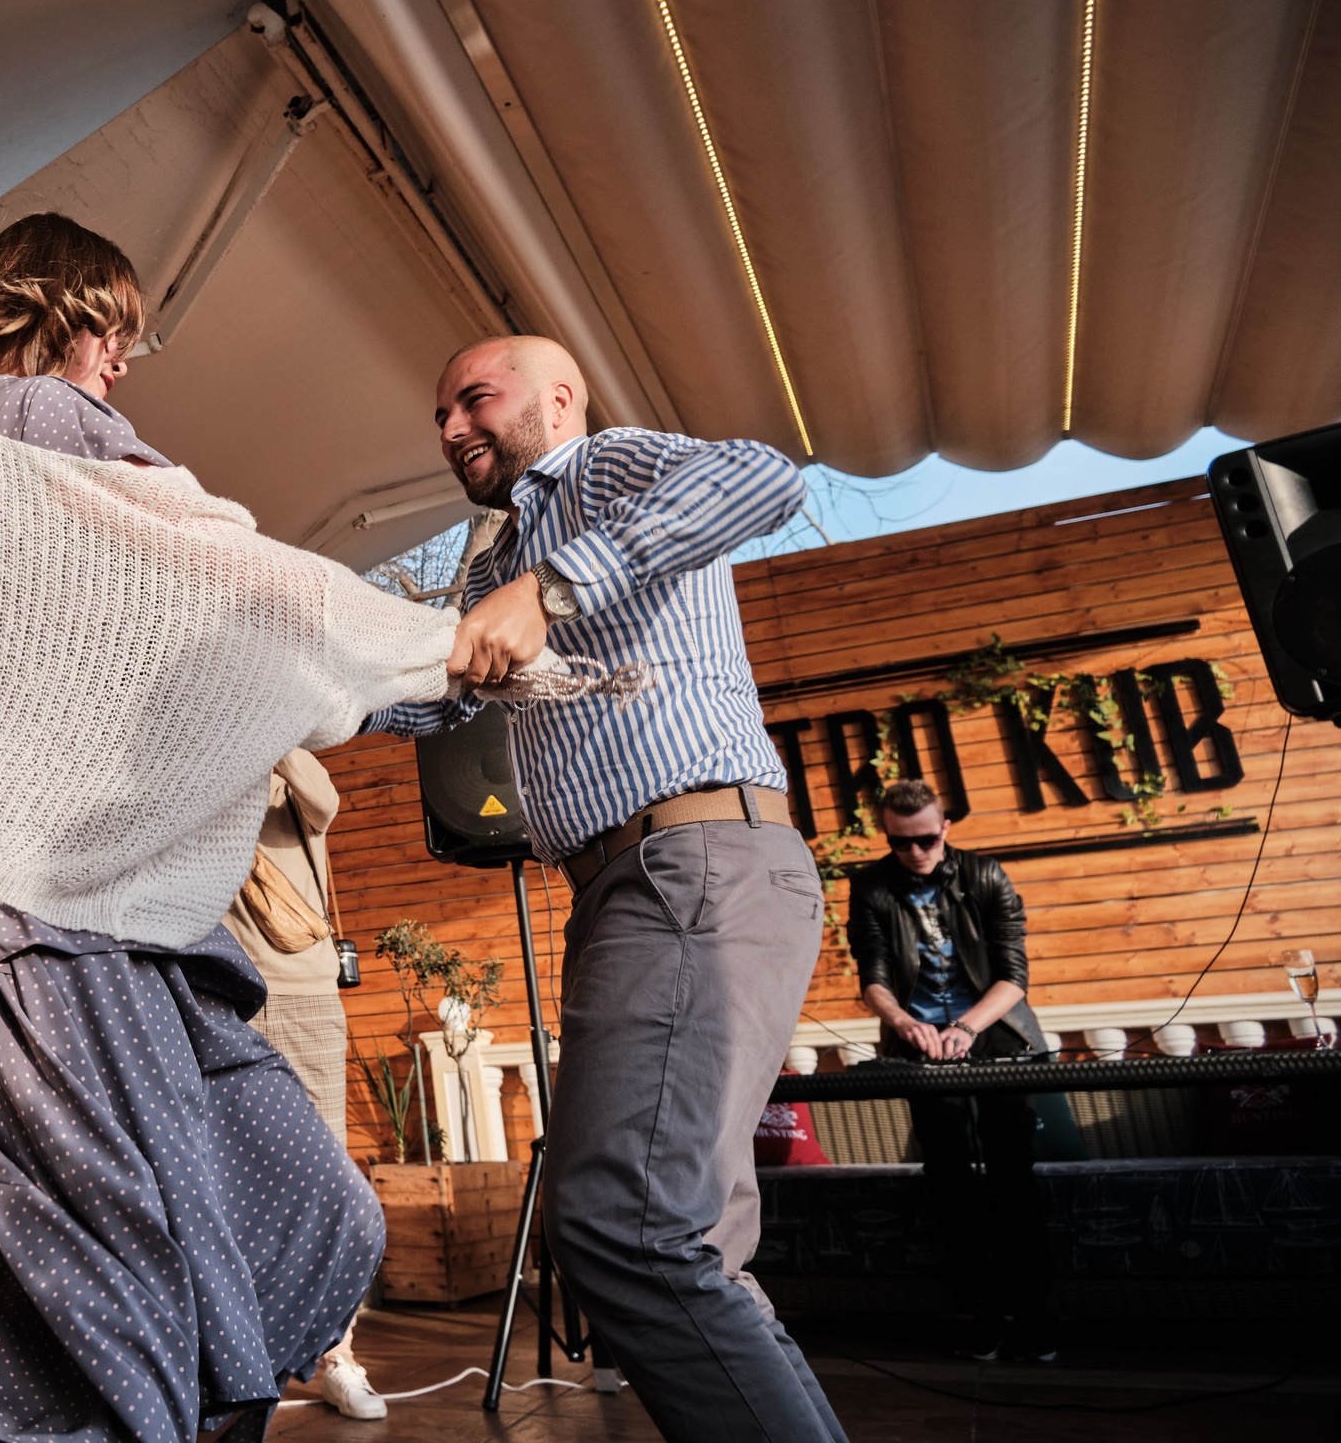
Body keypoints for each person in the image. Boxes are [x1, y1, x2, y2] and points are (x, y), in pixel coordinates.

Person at [0, 213, 459, 1443]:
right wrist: (438, 645)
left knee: (61, 1259)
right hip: (32, 916)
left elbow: (150, 636)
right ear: (57, 309)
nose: (124, 357)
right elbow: (219, 572)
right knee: (132, 1257)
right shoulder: (26, 418)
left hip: (80, 918)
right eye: (113, 326)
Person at [369, 335, 848, 1442]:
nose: (449, 430)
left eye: (473, 401)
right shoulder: (493, 568)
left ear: (557, 397)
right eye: (439, 415)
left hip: (692, 865)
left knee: (629, 1230)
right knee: (688, 1250)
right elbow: (433, 700)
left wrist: (556, 584)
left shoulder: (599, 468)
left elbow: (763, 477)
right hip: (624, 889)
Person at [846, 777, 1052, 1362]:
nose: (915, 853)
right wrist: (904, 1023)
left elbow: (1014, 973)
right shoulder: (871, 885)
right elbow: (874, 973)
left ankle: (1034, 1319)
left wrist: (965, 1028)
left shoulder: (984, 875)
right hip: (921, 1046)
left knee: (1014, 1180)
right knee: (951, 1185)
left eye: (927, 840)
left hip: (995, 1040)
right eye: (900, 842)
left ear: (946, 830)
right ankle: (981, 1317)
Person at [218, 747, 386, 1422]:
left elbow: (325, 799)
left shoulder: (286, 781)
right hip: (215, 1003)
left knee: (329, 1180)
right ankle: (239, 1362)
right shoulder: (181, 774)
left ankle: (334, 1356)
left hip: (304, 997)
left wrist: (269, 724)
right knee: (228, 1183)